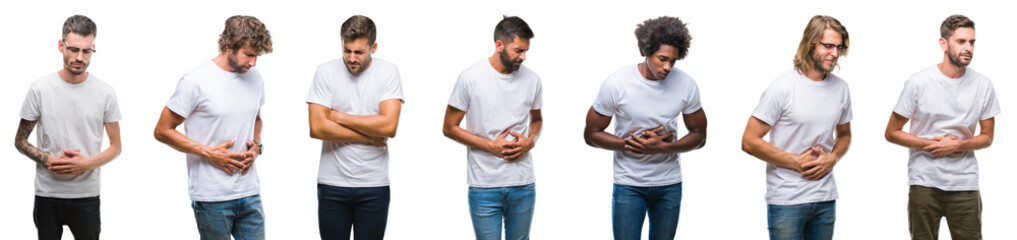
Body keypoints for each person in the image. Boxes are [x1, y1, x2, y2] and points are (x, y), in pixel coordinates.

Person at [583, 16, 707, 240]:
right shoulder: (617, 84)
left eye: (673, 61)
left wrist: (662, 148)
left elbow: (700, 136)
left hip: (669, 184)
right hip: (629, 184)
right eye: (662, 59)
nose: (668, 67)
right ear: (645, 51)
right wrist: (633, 145)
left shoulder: (686, 84)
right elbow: (591, 134)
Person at [153, 15, 271, 240]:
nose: (254, 63)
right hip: (212, 197)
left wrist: (257, 146)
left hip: (250, 192)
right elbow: (162, 130)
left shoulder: (256, 78)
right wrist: (209, 153)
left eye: (257, 56)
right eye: (249, 54)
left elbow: (256, 117)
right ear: (229, 46)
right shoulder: (195, 81)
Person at [884, 14, 998, 240]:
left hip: (965, 183)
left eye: (972, 42)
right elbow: (891, 132)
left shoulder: (983, 85)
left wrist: (959, 144)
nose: (968, 48)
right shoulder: (918, 82)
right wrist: (930, 144)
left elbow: (987, 137)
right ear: (943, 44)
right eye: (961, 41)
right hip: (925, 182)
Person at [740, 15, 852, 240]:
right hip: (787, 200)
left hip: (825, 198)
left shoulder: (841, 88)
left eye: (839, 47)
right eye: (828, 46)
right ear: (810, 44)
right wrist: (795, 162)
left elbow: (845, 135)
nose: (835, 53)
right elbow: (749, 141)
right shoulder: (782, 87)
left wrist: (833, 158)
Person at [15, 14, 122, 240]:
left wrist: (87, 163)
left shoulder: (105, 92)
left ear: (93, 48)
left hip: (86, 195)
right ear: (61, 45)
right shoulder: (40, 89)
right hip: (47, 194)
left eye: (86, 51)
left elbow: (116, 147)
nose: (79, 57)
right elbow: (20, 141)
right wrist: (48, 160)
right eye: (73, 49)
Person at [441, 15, 542, 240]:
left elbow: (537, 120)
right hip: (484, 185)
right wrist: (490, 146)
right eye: (518, 50)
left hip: (523, 184)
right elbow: (449, 127)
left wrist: (531, 140)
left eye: (526, 51)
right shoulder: (470, 78)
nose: (523, 57)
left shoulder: (533, 80)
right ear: (499, 45)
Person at [307, 15, 404, 240]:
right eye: (346, 50)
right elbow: (317, 128)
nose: (351, 58)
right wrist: (368, 137)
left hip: (374, 184)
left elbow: (389, 125)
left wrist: (338, 116)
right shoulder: (325, 71)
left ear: (374, 47)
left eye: (359, 52)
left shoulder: (388, 72)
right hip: (332, 183)